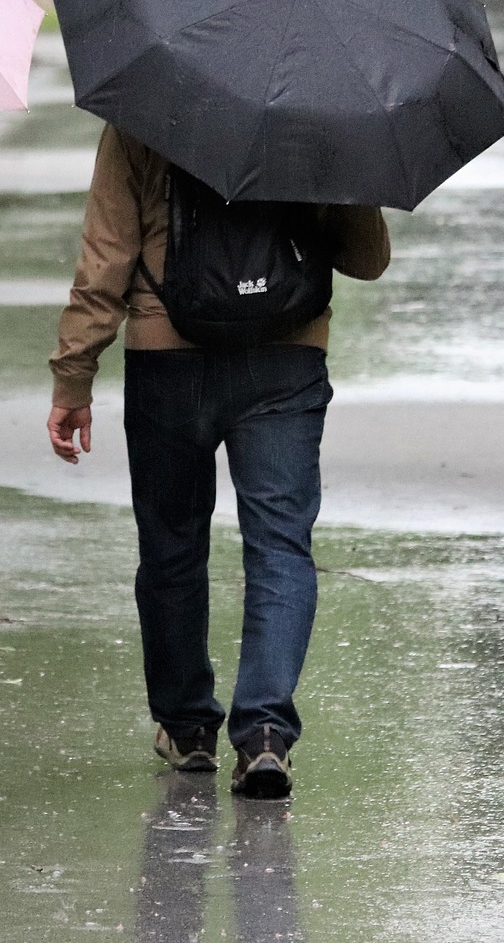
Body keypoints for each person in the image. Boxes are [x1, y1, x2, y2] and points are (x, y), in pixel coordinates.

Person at [47, 125, 389, 799]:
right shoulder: (319, 109)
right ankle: (264, 732)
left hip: (165, 354)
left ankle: (188, 727)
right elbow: (366, 258)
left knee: (172, 545)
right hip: (286, 354)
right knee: (280, 546)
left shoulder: (142, 110)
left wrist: (73, 375)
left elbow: (106, 256)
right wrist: (346, 166)